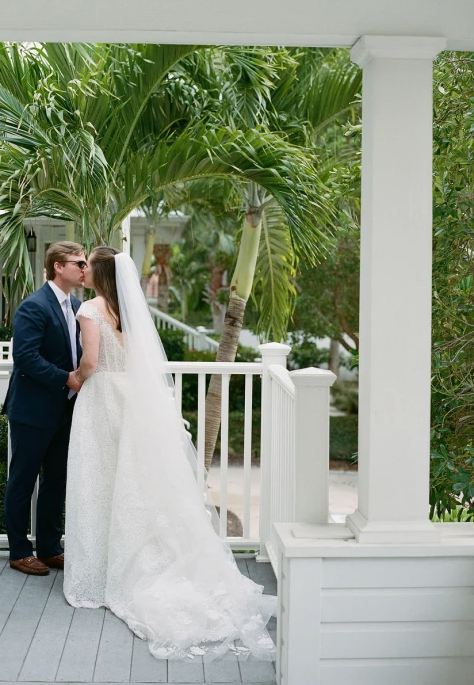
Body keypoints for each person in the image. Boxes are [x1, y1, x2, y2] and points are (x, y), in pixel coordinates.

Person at [63, 246, 276, 661]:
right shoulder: (128, 312)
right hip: (133, 398)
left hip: (103, 397)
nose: (83, 269)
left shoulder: (89, 310)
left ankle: (103, 571)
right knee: (135, 483)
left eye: (89, 264)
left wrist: (73, 381)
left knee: (99, 480)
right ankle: (135, 558)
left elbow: (90, 363)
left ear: (100, 274)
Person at [2, 241, 86, 575]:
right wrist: (65, 379)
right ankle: (19, 551)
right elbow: (25, 357)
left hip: (65, 411)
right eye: (78, 262)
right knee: (22, 480)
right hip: (32, 410)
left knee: (56, 481)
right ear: (57, 266)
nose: (83, 268)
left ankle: (50, 547)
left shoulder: (77, 305)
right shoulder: (33, 306)